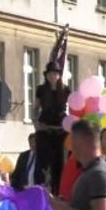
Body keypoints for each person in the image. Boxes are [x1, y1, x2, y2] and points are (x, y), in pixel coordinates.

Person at [34, 62, 69, 194]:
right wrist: (36, 123)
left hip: (60, 131)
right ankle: (41, 191)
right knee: (43, 163)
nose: (53, 76)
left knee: (60, 163)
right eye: (50, 73)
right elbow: (35, 108)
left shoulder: (65, 90)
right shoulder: (41, 90)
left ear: (59, 75)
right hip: (45, 130)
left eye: (55, 73)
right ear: (46, 75)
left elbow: (71, 107)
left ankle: (59, 191)